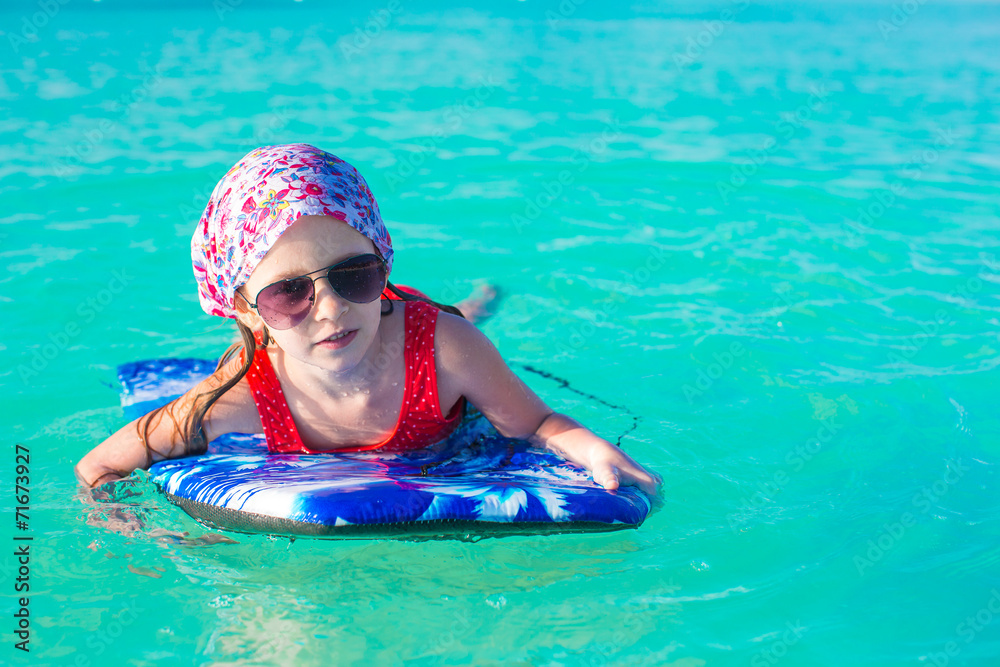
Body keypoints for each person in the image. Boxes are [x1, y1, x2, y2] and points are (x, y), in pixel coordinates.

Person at [74, 143, 660, 498]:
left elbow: (537, 423)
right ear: (249, 312)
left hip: (411, 323)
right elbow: (98, 466)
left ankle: (480, 297)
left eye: (355, 272)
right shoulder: (238, 397)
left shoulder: (446, 350)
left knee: (463, 316)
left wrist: (587, 446)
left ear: (382, 259)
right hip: (362, 328)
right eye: (289, 294)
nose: (330, 307)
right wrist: (136, 530)